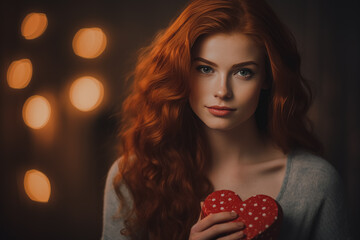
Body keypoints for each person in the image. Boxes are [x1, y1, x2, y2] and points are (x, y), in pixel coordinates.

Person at [102, 0, 352, 239]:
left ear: (267, 78)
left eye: (244, 72)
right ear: (181, 71)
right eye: (205, 69)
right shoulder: (135, 177)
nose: (222, 91)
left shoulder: (314, 184)